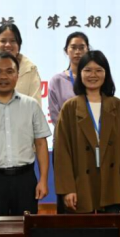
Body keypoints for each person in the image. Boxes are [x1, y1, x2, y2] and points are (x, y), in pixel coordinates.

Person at [54, 50, 120, 213]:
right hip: (81, 184)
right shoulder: (70, 107)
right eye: (87, 70)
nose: (93, 75)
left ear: (106, 74)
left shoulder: (118, 106)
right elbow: (62, 152)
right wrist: (67, 189)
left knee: (112, 227)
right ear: (80, 73)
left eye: (98, 70)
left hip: (112, 182)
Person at [0, 52, 51, 215]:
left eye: (9, 71)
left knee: (26, 228)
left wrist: (43, 179)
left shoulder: (31, 105)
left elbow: (41, 143)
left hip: (25, 179)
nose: (3, 76)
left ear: (17, 75)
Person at [48, 31, 90, 213]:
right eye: (73, 47)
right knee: (66, 198)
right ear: (66, 50)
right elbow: (55, 115)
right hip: (65, 146)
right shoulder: (57, 80)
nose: (78, 51)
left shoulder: (94, 78)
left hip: (91, 146)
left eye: (82, 47)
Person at [0, 23, 42, 105]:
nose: (8, 45)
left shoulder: (30, 70)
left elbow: (36, 105)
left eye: (13, 41)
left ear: (19, 44)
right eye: (3, 41)